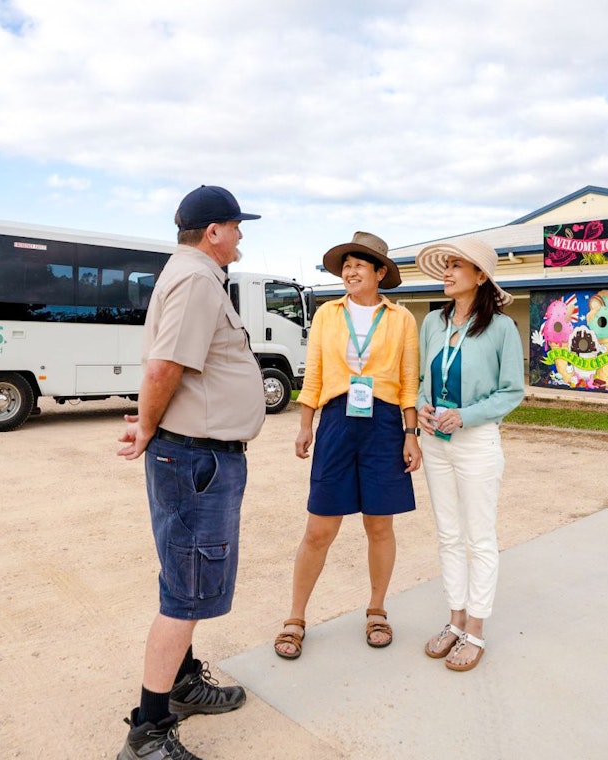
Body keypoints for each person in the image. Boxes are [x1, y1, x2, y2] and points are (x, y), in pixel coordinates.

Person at [115, 185, 266, 759]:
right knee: (185, 591)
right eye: (236, 225)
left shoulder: (194, 275)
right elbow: (165, 366)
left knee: (191, 581)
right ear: (214, 232)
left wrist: (154, 425)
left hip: (201, 456)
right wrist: (149, 427)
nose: (241, 235)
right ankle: (149, 732)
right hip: (196, 458)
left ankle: (180, 686)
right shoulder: (199, 278)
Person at [274, 232, 421, 660]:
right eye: (346, 265)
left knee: (379, 525)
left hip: (384, 426)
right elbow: (314, 373)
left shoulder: (401, 319)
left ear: (380, 273)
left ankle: (377, 609)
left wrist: (410, 434)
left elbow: (409, 382)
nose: (350, 271)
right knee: (319, 528)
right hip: (337, 421)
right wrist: (306, 425)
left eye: (360, 265)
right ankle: (295, 617)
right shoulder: (326, 315)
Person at [413, 237, 524, 672]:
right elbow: (425, 378)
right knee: (447, 534)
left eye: (458, 266)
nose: (448, 271)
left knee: (479, 539)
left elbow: (512, 391)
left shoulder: (500, 328)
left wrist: (466, 416)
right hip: (435, 442)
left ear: (481, 277)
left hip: (476, 442)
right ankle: (454, 619)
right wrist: (424, 404)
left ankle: (475, 629)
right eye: (447, 265)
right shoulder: (432, 323)